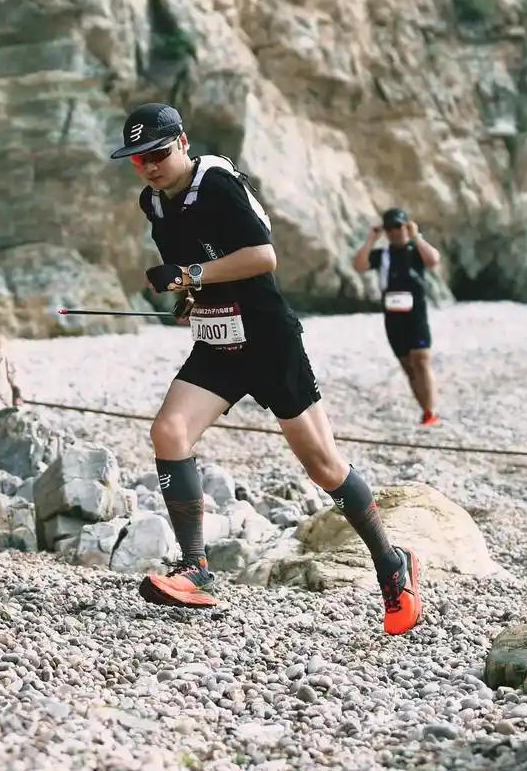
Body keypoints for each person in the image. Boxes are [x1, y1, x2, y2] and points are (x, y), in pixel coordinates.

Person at [109, 101, 422, 634]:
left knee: (324, 466)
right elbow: (199, 273)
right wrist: (187, 298)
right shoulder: (154, 203)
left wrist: (187, 274)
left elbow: (262, 257)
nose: (151, 167)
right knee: (168, 432)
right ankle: (195, 569)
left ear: (182, 143)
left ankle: (392, 565)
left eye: (158, 154)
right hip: (218, 342)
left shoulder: (217, 184)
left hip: (269, 341)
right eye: (139, 160)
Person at [353, 207, 442, 426]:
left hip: (416, 314)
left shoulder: (416, 250)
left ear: (406, 226)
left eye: (399, 226)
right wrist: (371, 239)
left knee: (421, 360)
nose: (395, 232)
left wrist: (416, 236)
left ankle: (430, 412)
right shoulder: (382, 255)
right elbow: (359, 265)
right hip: (393, 317)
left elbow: (433, 260)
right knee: (408, 366)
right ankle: (425, 410)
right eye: (390, 228)